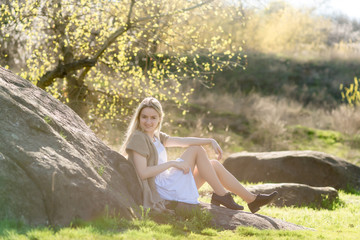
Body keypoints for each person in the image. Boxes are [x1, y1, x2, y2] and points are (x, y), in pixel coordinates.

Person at [121, 97, 277, 214]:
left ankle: (252, 200)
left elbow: (182, 141)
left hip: (170, 184)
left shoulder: (156, 136)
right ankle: (221, 195)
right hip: (161, 189)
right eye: (144, 117)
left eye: (153, 117)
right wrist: (172, 164)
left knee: (214, 165)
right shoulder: (139, 138)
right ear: (138, 118)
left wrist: (210, 140)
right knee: (196, 150)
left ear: (159, 118)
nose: (148, 121)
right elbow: (142, 173)